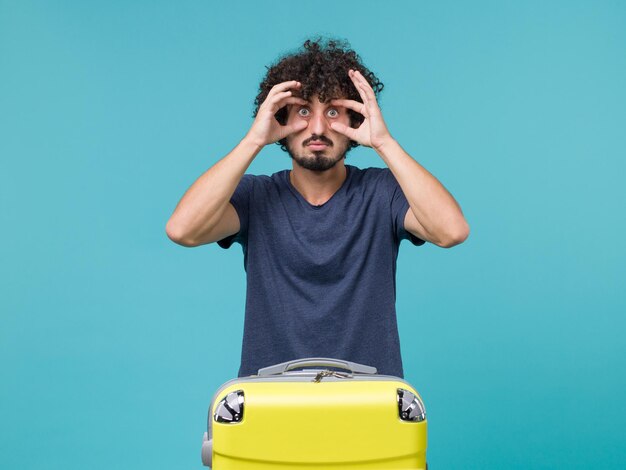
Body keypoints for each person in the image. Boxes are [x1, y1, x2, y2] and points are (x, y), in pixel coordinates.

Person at [166, 38, 469, 378]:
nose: (318, 128)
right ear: (280, 118)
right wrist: (252, 141)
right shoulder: (257, 197)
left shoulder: (381, 192)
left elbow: (452, 231)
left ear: (355, 119)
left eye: (333, 111)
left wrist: (384, 143)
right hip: (272, 399)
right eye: (304, 111)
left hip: (368, 399)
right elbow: (182, 230)